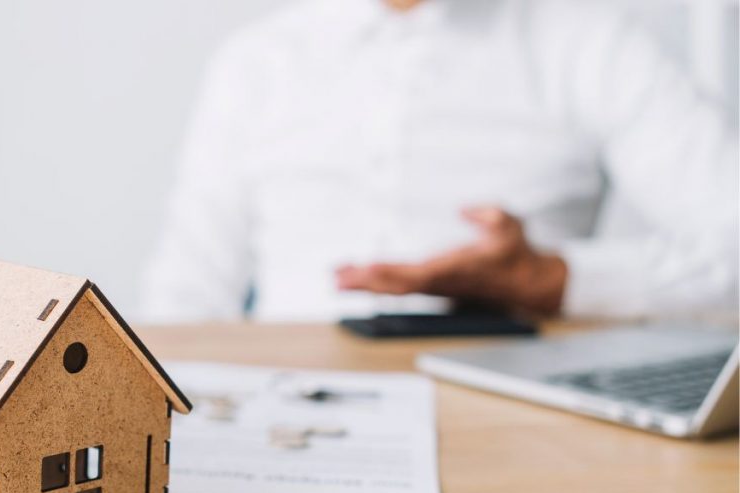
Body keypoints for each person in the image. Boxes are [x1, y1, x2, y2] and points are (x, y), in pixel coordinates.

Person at [140, 0, 739, 323]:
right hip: (281, 419)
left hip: (525, 435)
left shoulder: (594, 44)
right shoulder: (256, 62)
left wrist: (554, 281)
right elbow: (186, 295)